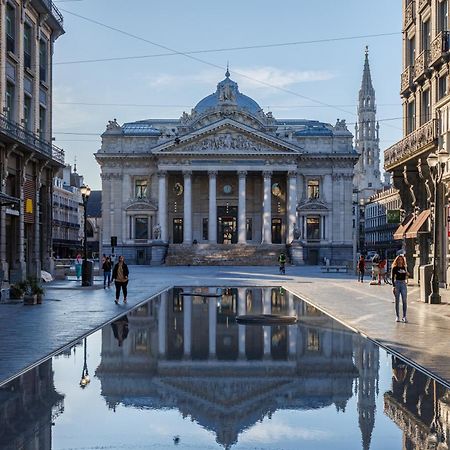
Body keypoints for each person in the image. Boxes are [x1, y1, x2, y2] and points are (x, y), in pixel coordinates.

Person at [391, 254, 409, 323]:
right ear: (397, 260)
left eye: (401, 260)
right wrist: (393, 286)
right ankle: (397, 316)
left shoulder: (404, 267)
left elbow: (407, 275)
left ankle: (404, 316)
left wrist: (407, 274)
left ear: (403, 260)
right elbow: (392, 277)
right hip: (397, 284)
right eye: (398, 260)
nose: (400, 261)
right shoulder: (394, 268)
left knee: (404, 300)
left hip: (403, 284)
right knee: (397, 301)